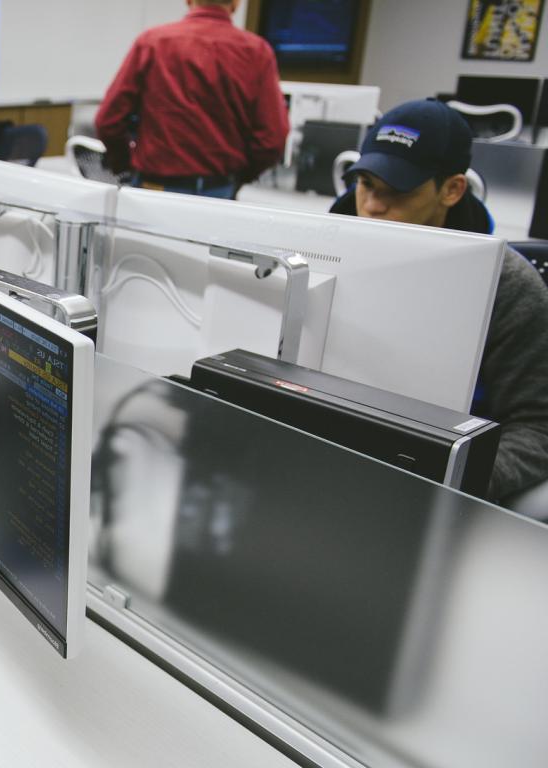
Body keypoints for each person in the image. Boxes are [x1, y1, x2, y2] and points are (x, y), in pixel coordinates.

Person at [328, 98, 548, 504]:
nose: (373, 207)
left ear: (452, 189)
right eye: (366, 185)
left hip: (431, 489)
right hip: (332, 461)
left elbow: (536, 429)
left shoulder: (508, 286)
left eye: (396, 191)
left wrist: (449, 484)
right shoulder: (321, 255)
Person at [95, 0, 288, 199]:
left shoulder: (151, 42)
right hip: (218, 192)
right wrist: (239, 177)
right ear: (237, 3)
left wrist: (125, 164)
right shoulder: (257, 52)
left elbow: (108, 121)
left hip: (152, 188)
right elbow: (272, 140)